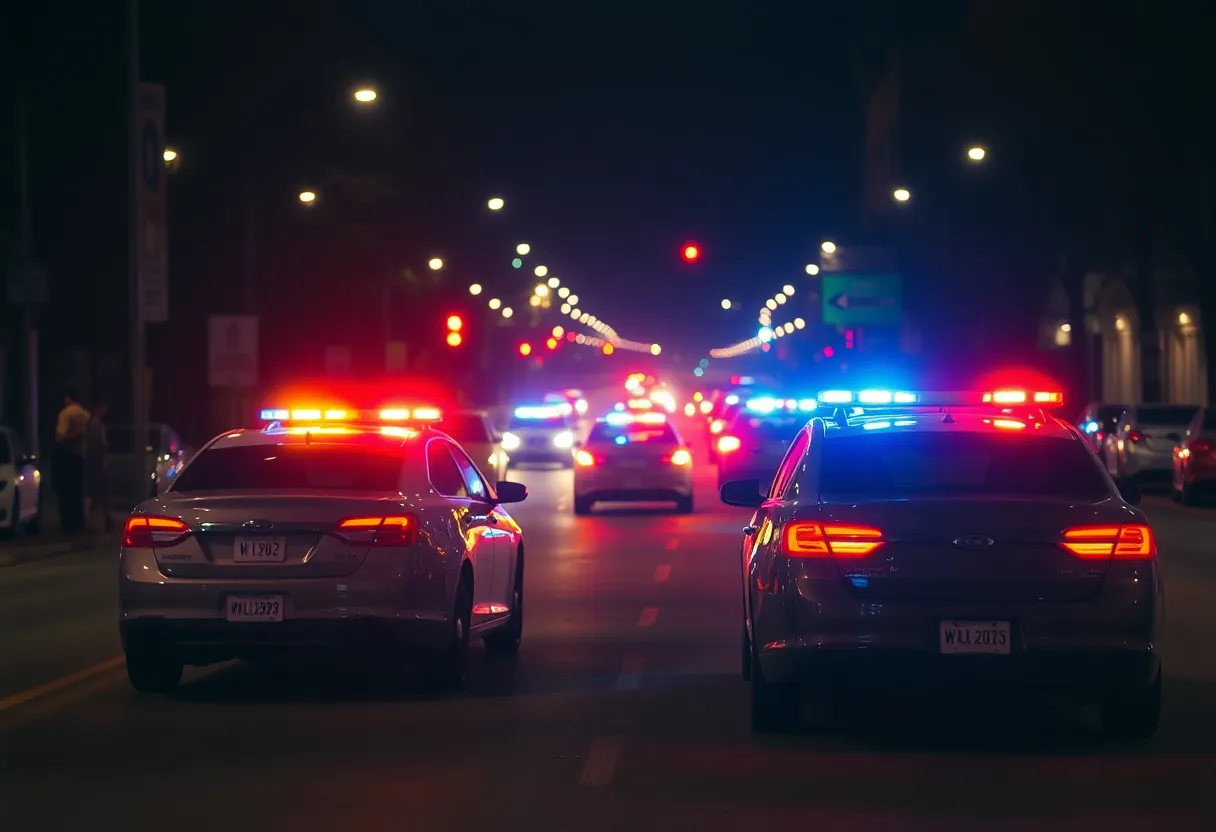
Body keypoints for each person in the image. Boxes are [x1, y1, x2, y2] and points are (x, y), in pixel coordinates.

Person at [54, 390, 90, 533]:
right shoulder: (86, 415)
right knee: (77, 491)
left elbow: (60, 437)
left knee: (66, 492)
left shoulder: (66, 414)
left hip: (67, 456)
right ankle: (78, 523)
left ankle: (67, 526)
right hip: (80, 457)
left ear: (68, 398)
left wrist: (72, 435)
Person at [84, 396, 114, 532]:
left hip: (94, 462)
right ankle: (97, 521)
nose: (105, 411)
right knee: (100, 493)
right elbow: (99, 445)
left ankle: (98, 520)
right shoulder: (96, 424)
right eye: (104, 407)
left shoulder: (93, 423)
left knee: (97, 494)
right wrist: (102, 460)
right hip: (96, 463)